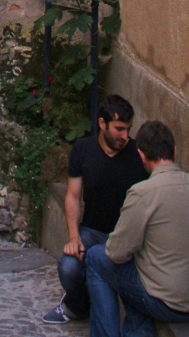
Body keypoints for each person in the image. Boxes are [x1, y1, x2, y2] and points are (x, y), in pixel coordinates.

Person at [44, 95, 148, 324]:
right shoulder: (83, 149)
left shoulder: (138, 154)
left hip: (126, 237)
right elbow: (72, 196)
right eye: (119, 129)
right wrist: (74, 237)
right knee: (68, 268)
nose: (125, 136)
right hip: (92, 231)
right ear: (102, 124)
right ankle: (77, 306)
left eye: (128, 129)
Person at [85, 120, 189, 337]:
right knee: (137, 279)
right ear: (175, 151)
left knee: (96, 257)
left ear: (141, 155)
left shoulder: (143, 192)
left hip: (167, 302)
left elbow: (116, 252)